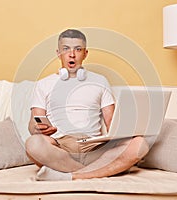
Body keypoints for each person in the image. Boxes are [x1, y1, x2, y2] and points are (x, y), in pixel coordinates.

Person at [26, 29, 149, 181]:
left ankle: (73, 175)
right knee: (33, 143)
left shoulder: (100, 81)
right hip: (59, 146)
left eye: (78, 49)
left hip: (94, 146)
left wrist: (130, 130)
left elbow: (112, 124)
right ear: (58, 53)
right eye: (66, 49)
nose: (72, 54)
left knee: (140, 144)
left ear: (85, 54)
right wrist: (36, 127)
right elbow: (34, 122)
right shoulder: (43, 84)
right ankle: (102, 170)